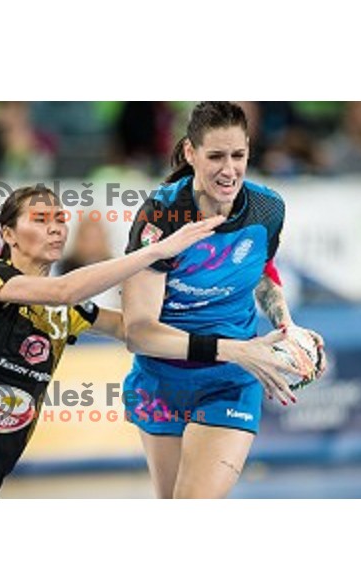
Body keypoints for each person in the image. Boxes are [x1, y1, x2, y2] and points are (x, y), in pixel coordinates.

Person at [0, 185, 224, 498]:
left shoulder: (69, 310)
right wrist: (156, 251)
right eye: (40, 220)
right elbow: (64, 289)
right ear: (8, 235)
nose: (56, 228)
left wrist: (226, 339)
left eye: (60, 220)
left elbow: (136, 330)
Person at [121, 101, 326, 499]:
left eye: (238, 155)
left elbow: (261, 271)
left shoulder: (267, 209)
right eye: (215, 156)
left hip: (231, 380)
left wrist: (287, 323)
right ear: (190, 153)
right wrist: (232, 349)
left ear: (250, 149)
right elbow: (139, 332)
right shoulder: (161, 216)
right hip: (162, 379)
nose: (228, 170)